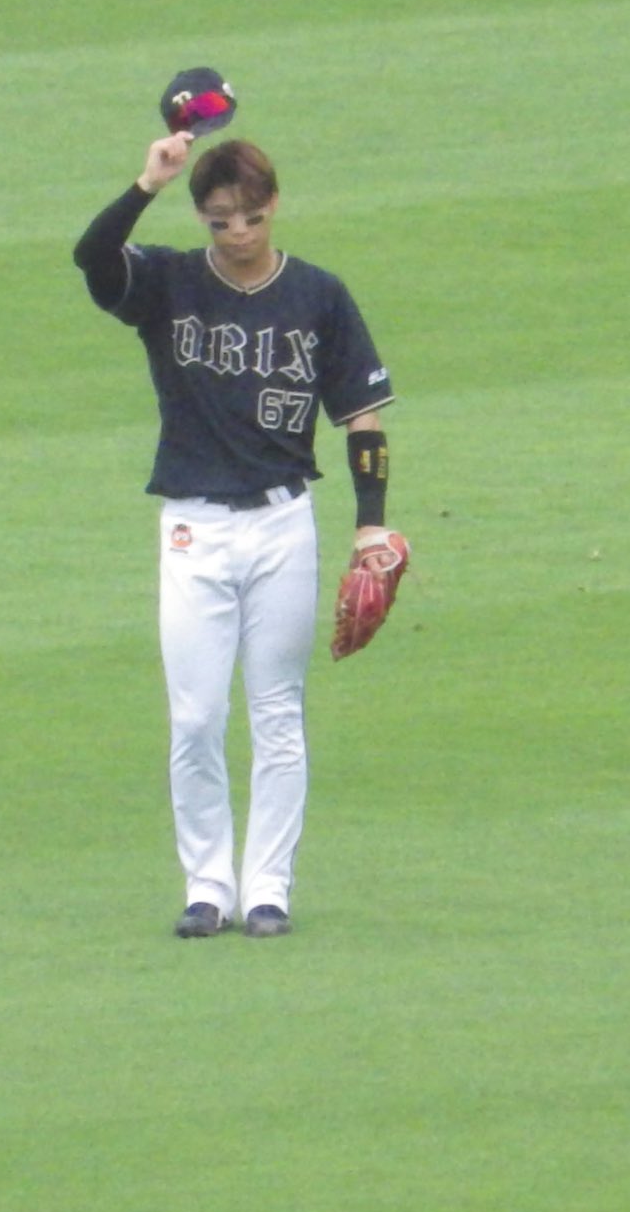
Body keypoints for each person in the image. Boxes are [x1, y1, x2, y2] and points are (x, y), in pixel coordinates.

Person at [72, 129, 396, 938]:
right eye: (221, 221)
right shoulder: (169, 284)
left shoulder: (319, 295)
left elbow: (361, 414)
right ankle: (207, 886)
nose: (239, 234)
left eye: (251, 217)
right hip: (192, 526)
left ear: (273, 206)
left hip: (285, 522)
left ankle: (268, 891)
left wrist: (370, 527)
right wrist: (146, 182)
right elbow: (91, 256)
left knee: (277, 712)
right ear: (203, 218)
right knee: (194, 717)